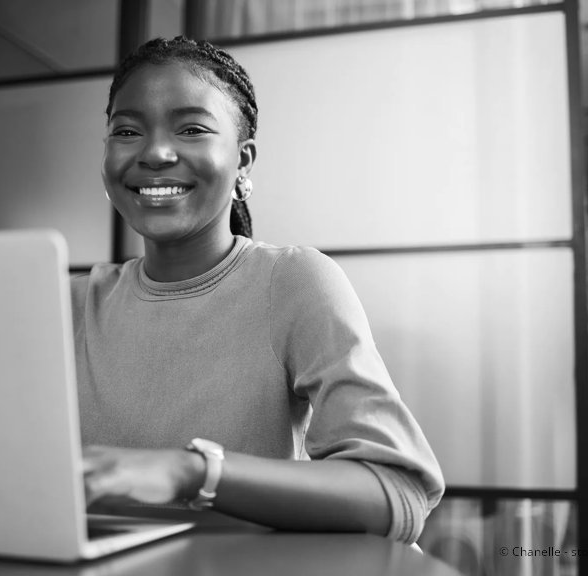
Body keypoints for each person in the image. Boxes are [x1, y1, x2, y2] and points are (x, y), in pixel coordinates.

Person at [71, 36, 444, 543]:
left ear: (243, 163)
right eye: (128, 131)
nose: (155, 152)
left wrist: (193, 471)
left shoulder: (291, 281)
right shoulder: (71, 302)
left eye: (192, 129)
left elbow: (396, 490)